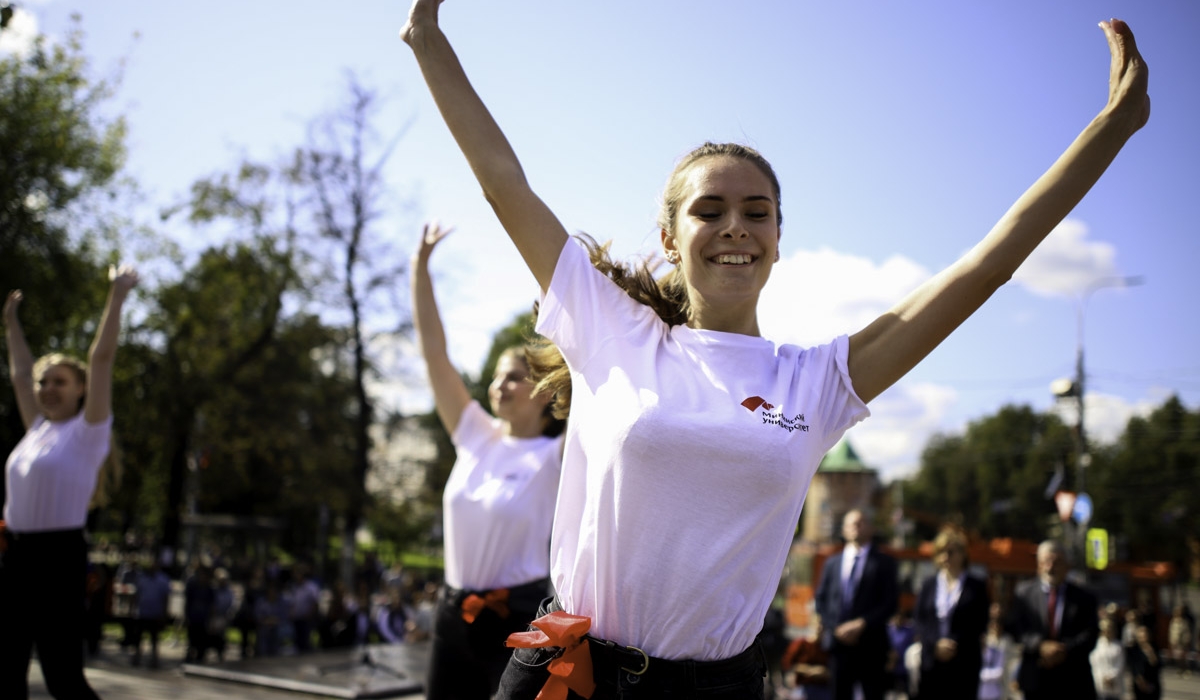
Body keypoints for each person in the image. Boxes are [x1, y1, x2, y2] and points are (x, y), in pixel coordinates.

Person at [400, 2, 1150, 696]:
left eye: (757, 212)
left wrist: (1112, 128)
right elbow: (505, 184)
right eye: (710, 210)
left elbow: (985, 265)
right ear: (670, 237)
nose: (735, 227)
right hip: (570, 677)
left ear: (777, 239)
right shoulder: (611, 327)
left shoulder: (819, 381)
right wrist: (430, 43)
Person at [411, 222, 567, 699]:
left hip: (517, 616)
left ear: (544, 391)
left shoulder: (558, 455)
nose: (501, 384)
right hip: (453, 611)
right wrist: (421, 271)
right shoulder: (474, 435)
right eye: (498, 375)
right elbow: (436, 356)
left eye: (516, 376)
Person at [2, 268, 138, 700]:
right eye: (45, 382)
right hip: (14, 554)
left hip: (57, 557)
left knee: (62, 676)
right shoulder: (36, 430)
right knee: (6, 668)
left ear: (81, 389)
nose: (47, 388)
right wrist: (11, 324)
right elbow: (20, 376)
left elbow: (102, 358)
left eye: (59, 381)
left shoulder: (87, 433)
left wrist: (116, 296)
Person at [814, 510, 899, 700]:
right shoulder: (832, 563)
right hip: (839, 646)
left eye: (861, 523)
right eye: (852, 524)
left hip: (871, 646)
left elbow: (890, 603)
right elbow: (821, 600)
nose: (856, 527)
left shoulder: (885, 563)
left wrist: (862, 624)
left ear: (871, 528)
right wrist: (836, 628)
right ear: (844, 530)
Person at [1006, 540, 1100, 700]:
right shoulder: (1023, 594)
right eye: (1046, 562)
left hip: (1074, 680)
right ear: (1038, 565)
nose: (1050, 567)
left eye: (1056, 562)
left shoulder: (1084, 597)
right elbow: (1016, 628)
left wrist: (1063, 650)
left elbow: (1090, 633)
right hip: (1035, 679)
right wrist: (1040, 646)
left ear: (1067, 566)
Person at [912, 524, 990, 699]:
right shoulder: (929, 585)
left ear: (963, 555)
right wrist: (935, 644)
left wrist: (953, 644)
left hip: (964, 661)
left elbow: (979, 622)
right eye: (941, 552)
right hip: (932, 661)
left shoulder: (976, 586)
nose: (946, 556)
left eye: (951, 551)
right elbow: (920, 620)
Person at [132, 558, 172, 669]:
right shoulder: (143, 578)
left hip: (156, 613)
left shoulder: (163, 580)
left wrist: (164, 613)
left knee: (154, 639)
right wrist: (133, 609)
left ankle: (154, 660)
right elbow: (137, 595)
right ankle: (136, 657)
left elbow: (166, 598)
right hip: (142, 612)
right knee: (138, 637)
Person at [1090, 617, 1126, 700]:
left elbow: (1120, 664)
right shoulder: (1097, 644)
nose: (1107, 632)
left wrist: (1111, 677)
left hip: (1114, 682)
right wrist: (1102, 677)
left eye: (1109, 630)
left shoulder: (1118, 646)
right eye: (1105, 630)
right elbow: (1094, 662)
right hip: (1101, 682)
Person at [1128, 623, 1162, 700]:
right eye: (1141, 634)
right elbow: (1134, 667)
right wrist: (1141, 682)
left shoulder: (1155, 648)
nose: (1144, 636)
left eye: (1146, 633)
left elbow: (1158, 665)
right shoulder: (1134, 650)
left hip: (1153, 684)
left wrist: (1151, 652)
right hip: (1139, 685)